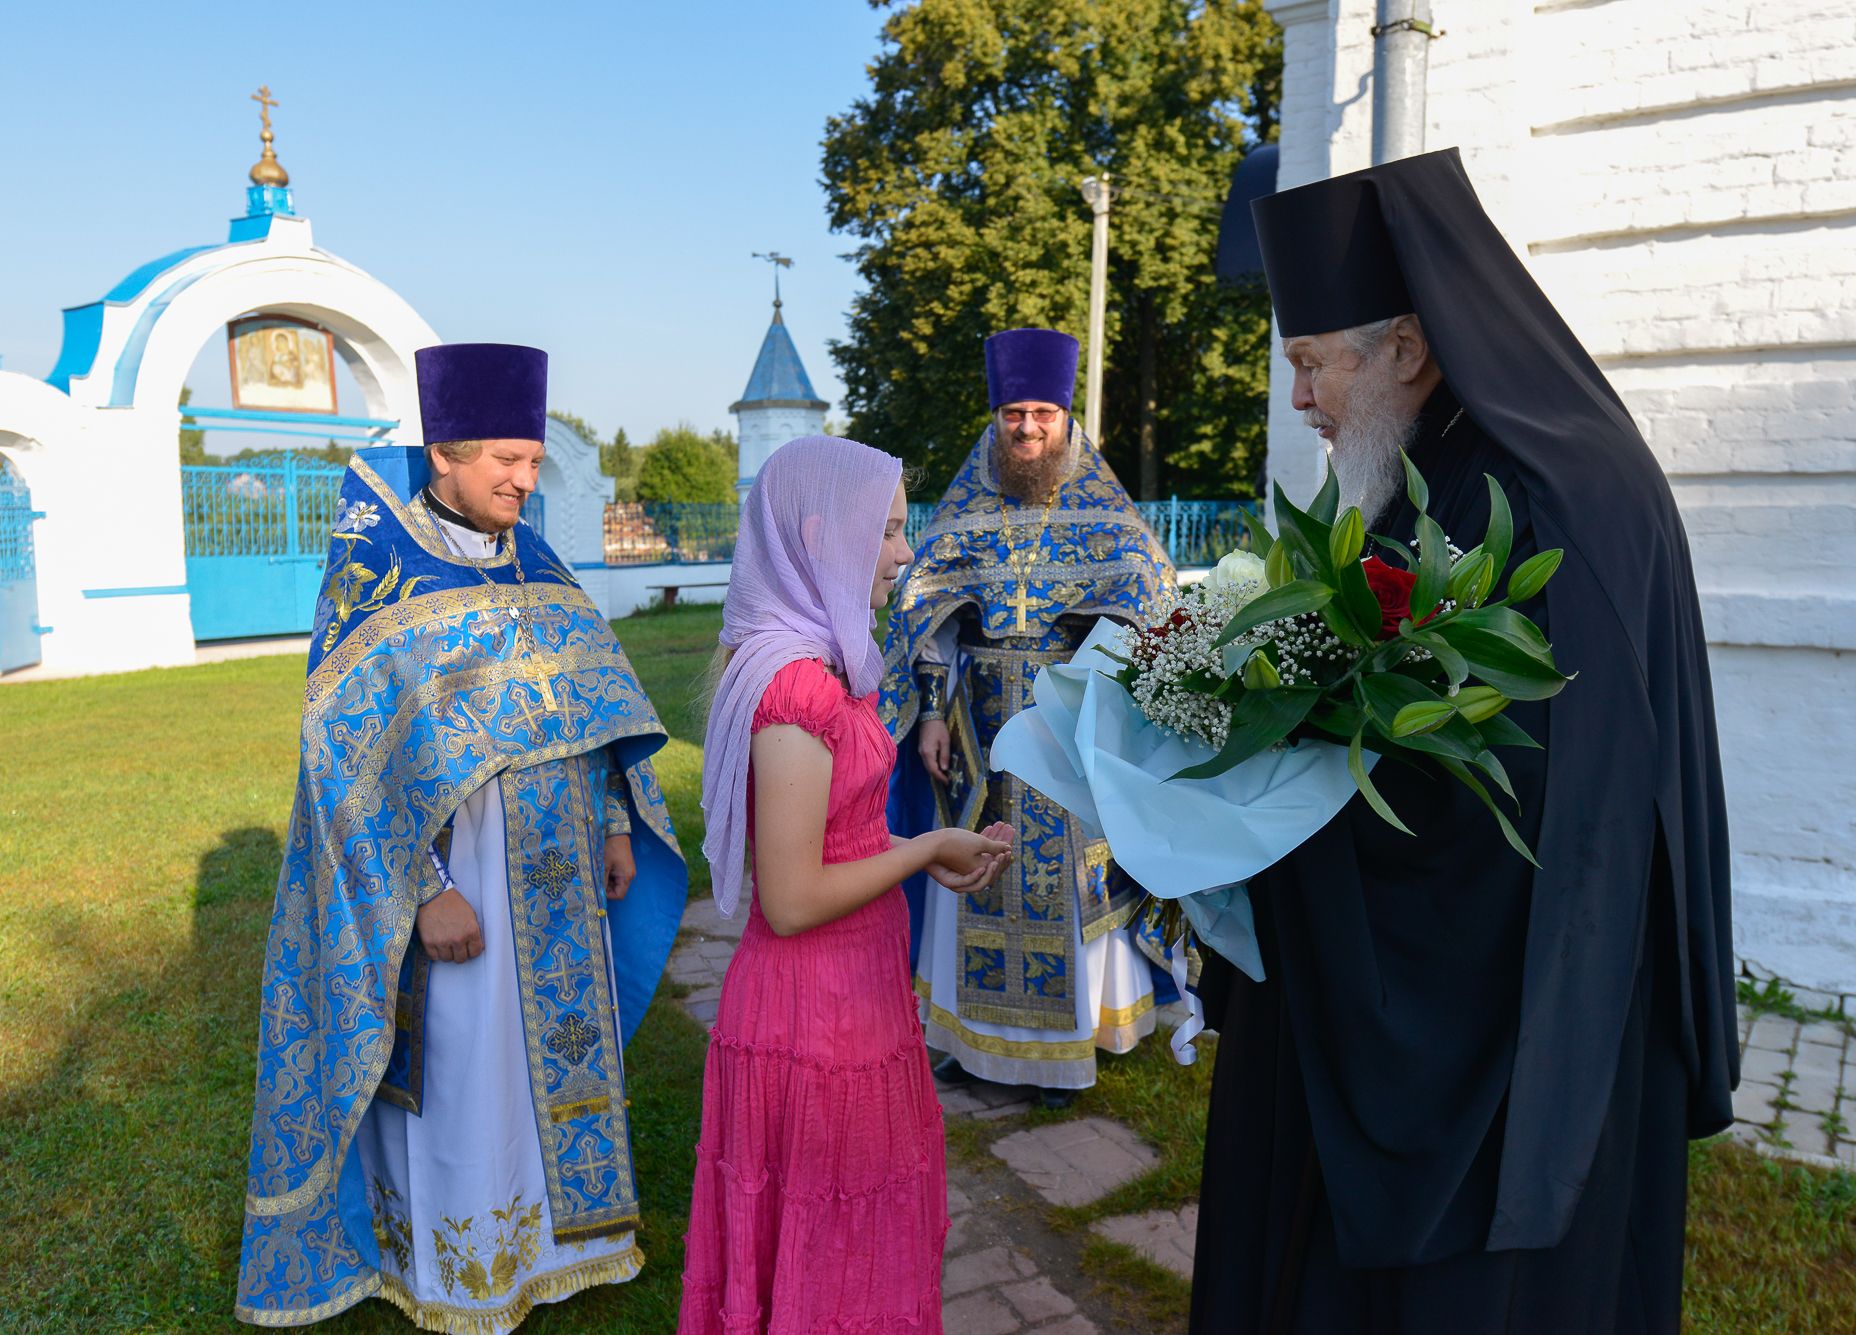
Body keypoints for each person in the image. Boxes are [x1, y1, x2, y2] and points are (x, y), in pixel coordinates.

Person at [1188, 149, 1735, 1333]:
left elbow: (1528, 791)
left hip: (1518, 1010)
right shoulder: (1469, 456)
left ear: (1405, 347)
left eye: (1310, 364)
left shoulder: (1529, 492)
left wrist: (1261, 821)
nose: (1299, 400)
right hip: (1508, 975)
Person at [236, 343, 689, 1331]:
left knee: (546, 1059)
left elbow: (593, 710)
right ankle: (464, 1265)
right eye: (506, 462)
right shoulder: (377, 575)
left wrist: (617, 820)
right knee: (465, 1065)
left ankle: (565, 1244)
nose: (525, 482)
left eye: (534, 462)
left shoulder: (537, 560)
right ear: (444, 452)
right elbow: (345, 762)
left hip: (562, 868)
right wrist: (429, 888)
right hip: (459, 876)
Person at [679, 435, 1015, 1334]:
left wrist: (927, 852)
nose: (904, 552)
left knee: (852, 1244)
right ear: (822, 535)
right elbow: (790, 900)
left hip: (855, 993)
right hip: (812, 1012)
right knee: (826, 1253)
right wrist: (925, 845)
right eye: (890, 530)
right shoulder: (795, 689)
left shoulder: (823, 662)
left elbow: (840, 836)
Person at [879, 328, 1178, 1106]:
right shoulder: (967, 499)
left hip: (1066, 719)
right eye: (1014, 414)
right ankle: (966, 1032)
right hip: (978, 725)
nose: (1027, 429)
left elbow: (1150, 590)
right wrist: (931, 711)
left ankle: (1060, 1050)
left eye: (1043, 413)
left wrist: (1106, 666)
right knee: (974, 867)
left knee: (1062, 878)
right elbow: (926, 608)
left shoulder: (1101, 503)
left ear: (1065, 415)